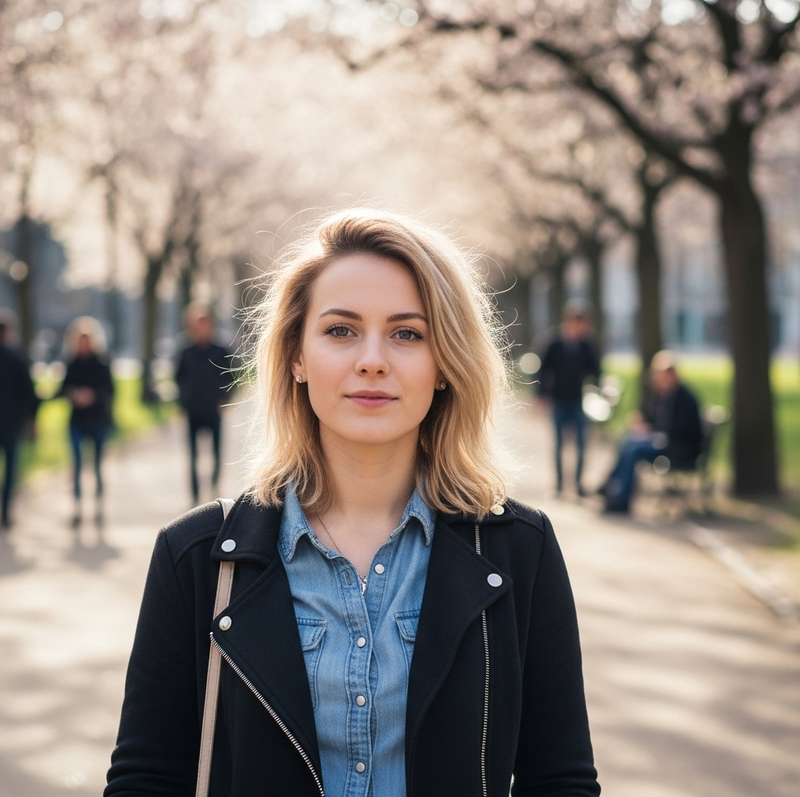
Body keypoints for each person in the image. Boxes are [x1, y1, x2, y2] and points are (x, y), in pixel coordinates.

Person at [105, 209, 600, 796]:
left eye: (407, 333)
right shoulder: (197, 559)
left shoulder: (519, 550)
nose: (372, 359)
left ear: (444, 364)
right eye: (340, 330)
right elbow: (147, 778)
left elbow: (560, 777)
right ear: (296, 357)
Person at [599, 350, 703, 514]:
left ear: (671, 374)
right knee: (628, 442)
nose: (656, 379)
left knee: (634, 449)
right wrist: (643, 424)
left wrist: (652, 431)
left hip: (678, 449)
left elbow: (680, 430)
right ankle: (611, 488)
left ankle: (621, 500)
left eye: (659, 375)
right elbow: (654, 419)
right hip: (664, 442)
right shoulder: (663, 395)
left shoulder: (685, 398)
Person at [536, 300, 601, 497]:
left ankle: (578, 484)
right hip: (558, 400)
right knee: (559, 444)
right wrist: (542, 395)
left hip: (578, 400)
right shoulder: (554, 343)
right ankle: (558, 485)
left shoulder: (586, 345)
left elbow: (596, 370)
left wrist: (597, 390)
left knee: (581, 443)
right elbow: (542, 370)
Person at [174, 303, 235, 504]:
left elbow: (232, 378)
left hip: (213, 409)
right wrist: (182, 402)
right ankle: (195, 498)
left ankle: (214, 489)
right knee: (192, 457)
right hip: (193, 410)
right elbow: (178, 378)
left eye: (204, 322)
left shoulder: (221, 350)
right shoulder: (185, 351)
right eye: (196, 323)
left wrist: (225, 399)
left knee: (217, 454)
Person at [58, 316, 115, 527]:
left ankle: (99, 507)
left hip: (98, 420)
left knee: (98, 466)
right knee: (77, 466)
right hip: (77, 422)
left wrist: (93, 396)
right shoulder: (71, 364)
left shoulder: (101, 362)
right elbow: (63, 389)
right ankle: (77, 508)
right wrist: (74, 395)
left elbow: (110, 390)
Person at [0, 309, 39, 529]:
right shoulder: (17, 358)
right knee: (10, 470)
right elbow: (29, 393)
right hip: (11, 424)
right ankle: (5, 514)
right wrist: (32, 420)